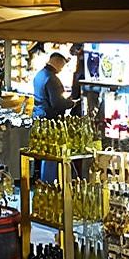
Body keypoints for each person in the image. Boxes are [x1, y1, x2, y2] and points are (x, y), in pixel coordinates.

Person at [33, 51, 78, 183]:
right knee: (51, 154)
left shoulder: (39, 75)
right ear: (58, 63)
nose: (62, 69)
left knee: (45, 153)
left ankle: (44, 180)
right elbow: (57, 103)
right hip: (50, 120)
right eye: (62, 66)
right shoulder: (52, 79)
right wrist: (72, 103)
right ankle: (49, 182)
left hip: (39, 118)